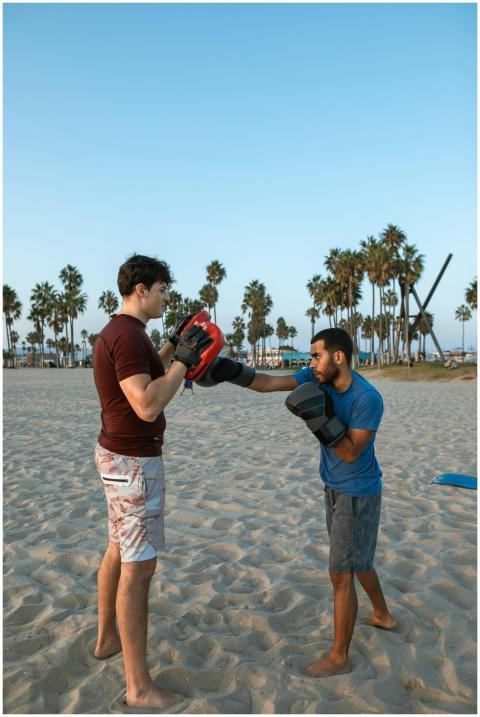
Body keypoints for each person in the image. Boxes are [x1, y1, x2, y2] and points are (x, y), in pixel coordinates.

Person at [196, 327, 396, 678]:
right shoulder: (318, 377)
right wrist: (229, 371)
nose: (310, 363)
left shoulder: (368, 398)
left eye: (316, 356)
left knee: (341, 572)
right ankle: (383, 614)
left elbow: (350, 452)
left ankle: (339, 657)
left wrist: (317, 419)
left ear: (338, 357)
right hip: (332, 485)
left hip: (357, 490)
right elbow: (268, 383)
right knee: (358, 559)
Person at [92, 253, 214, 709]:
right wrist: (182, 362)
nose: (167, 297)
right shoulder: (125, 336)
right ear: (140, 289)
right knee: (138, 567)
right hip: (133, 464)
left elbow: (143, 374)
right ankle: (139, 687)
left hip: (117, 455)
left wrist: (172, 347)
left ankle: (106, 640)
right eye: (163, 289)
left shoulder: (126, 333)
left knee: (118, 548)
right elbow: (146, 404)